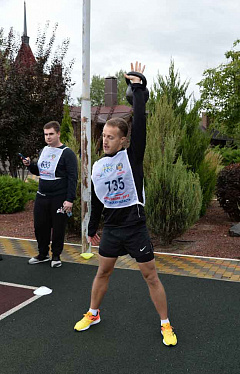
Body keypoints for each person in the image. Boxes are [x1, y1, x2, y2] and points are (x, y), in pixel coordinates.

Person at [74, 62, 177, 346]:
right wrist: (92, 226)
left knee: (151, 276)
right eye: (103, 136)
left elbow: (140, 123)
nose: (105, 140)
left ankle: (165, 324)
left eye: (111, 137)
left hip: (135, 228)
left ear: (123, 140)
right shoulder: (98, 166)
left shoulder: (132, 159)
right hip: (112, 229)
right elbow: (96, 197)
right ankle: (93, 313)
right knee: (102, 272)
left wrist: (138, 91)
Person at [22, 121, 78, 268]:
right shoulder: (44, 150)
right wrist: (29, 165)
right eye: (46, 134)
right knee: (40, 226)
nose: (48, 137)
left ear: (58, 134)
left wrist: (69, 199)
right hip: (42, 195)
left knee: (58, 228)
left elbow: (73, 178)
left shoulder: (67, 153)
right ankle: (42, 254)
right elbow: (40, 171)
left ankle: (56, 256)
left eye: (51, 134)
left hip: (59, 196)